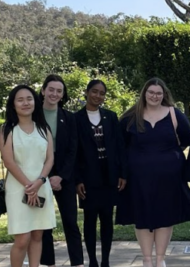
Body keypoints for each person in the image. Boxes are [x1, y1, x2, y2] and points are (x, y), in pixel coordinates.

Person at [118, 77, 190, 267]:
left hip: (169, 178)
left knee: (165, 216)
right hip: (138, 178)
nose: (154, 96)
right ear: (144, 93)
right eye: (151, 92)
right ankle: (147, 259)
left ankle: (160, 259)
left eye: (158, 93)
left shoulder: (174, 114)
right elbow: (120, 144)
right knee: (143, 217)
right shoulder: (131, 116)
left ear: (164, 95)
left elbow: (187, 139)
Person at [0, 85, 56, 267]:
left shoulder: (43, 128)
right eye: (20, 99)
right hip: (18, 188)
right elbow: (9, 162)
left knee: (38, 235)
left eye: (29, 99)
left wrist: (39, 182)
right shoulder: (7, 129)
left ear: (35, 102)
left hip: (41, 186)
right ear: (13, 104)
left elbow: (49, 159)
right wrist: (29, 186)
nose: (25, 103)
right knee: (23, 238)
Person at [75, 79, 126, 267]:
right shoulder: (76, 119)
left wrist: (123, 174)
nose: (98, 96)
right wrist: (77, 179)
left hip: (109, 176)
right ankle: (93, 261)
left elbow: (120, 147)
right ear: (87, 92)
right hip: (88, 178)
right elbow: (74, 151)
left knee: (107, 219)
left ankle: (105, 260)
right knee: (89, 220)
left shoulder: (111, 117)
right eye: (94, 91)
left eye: (102, 93)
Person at [38, 74, 84, 267]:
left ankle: (78, 263)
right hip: (39, 174)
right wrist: (46, 176)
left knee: (70, 222)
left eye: (59, 91)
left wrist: (61, 176)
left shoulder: (69, 117)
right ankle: (48, 263)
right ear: (43, 91)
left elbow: (74, 149)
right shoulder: (33, 115)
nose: (54, 94)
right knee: (44, 223)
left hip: (64, 174)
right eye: (51, 89)